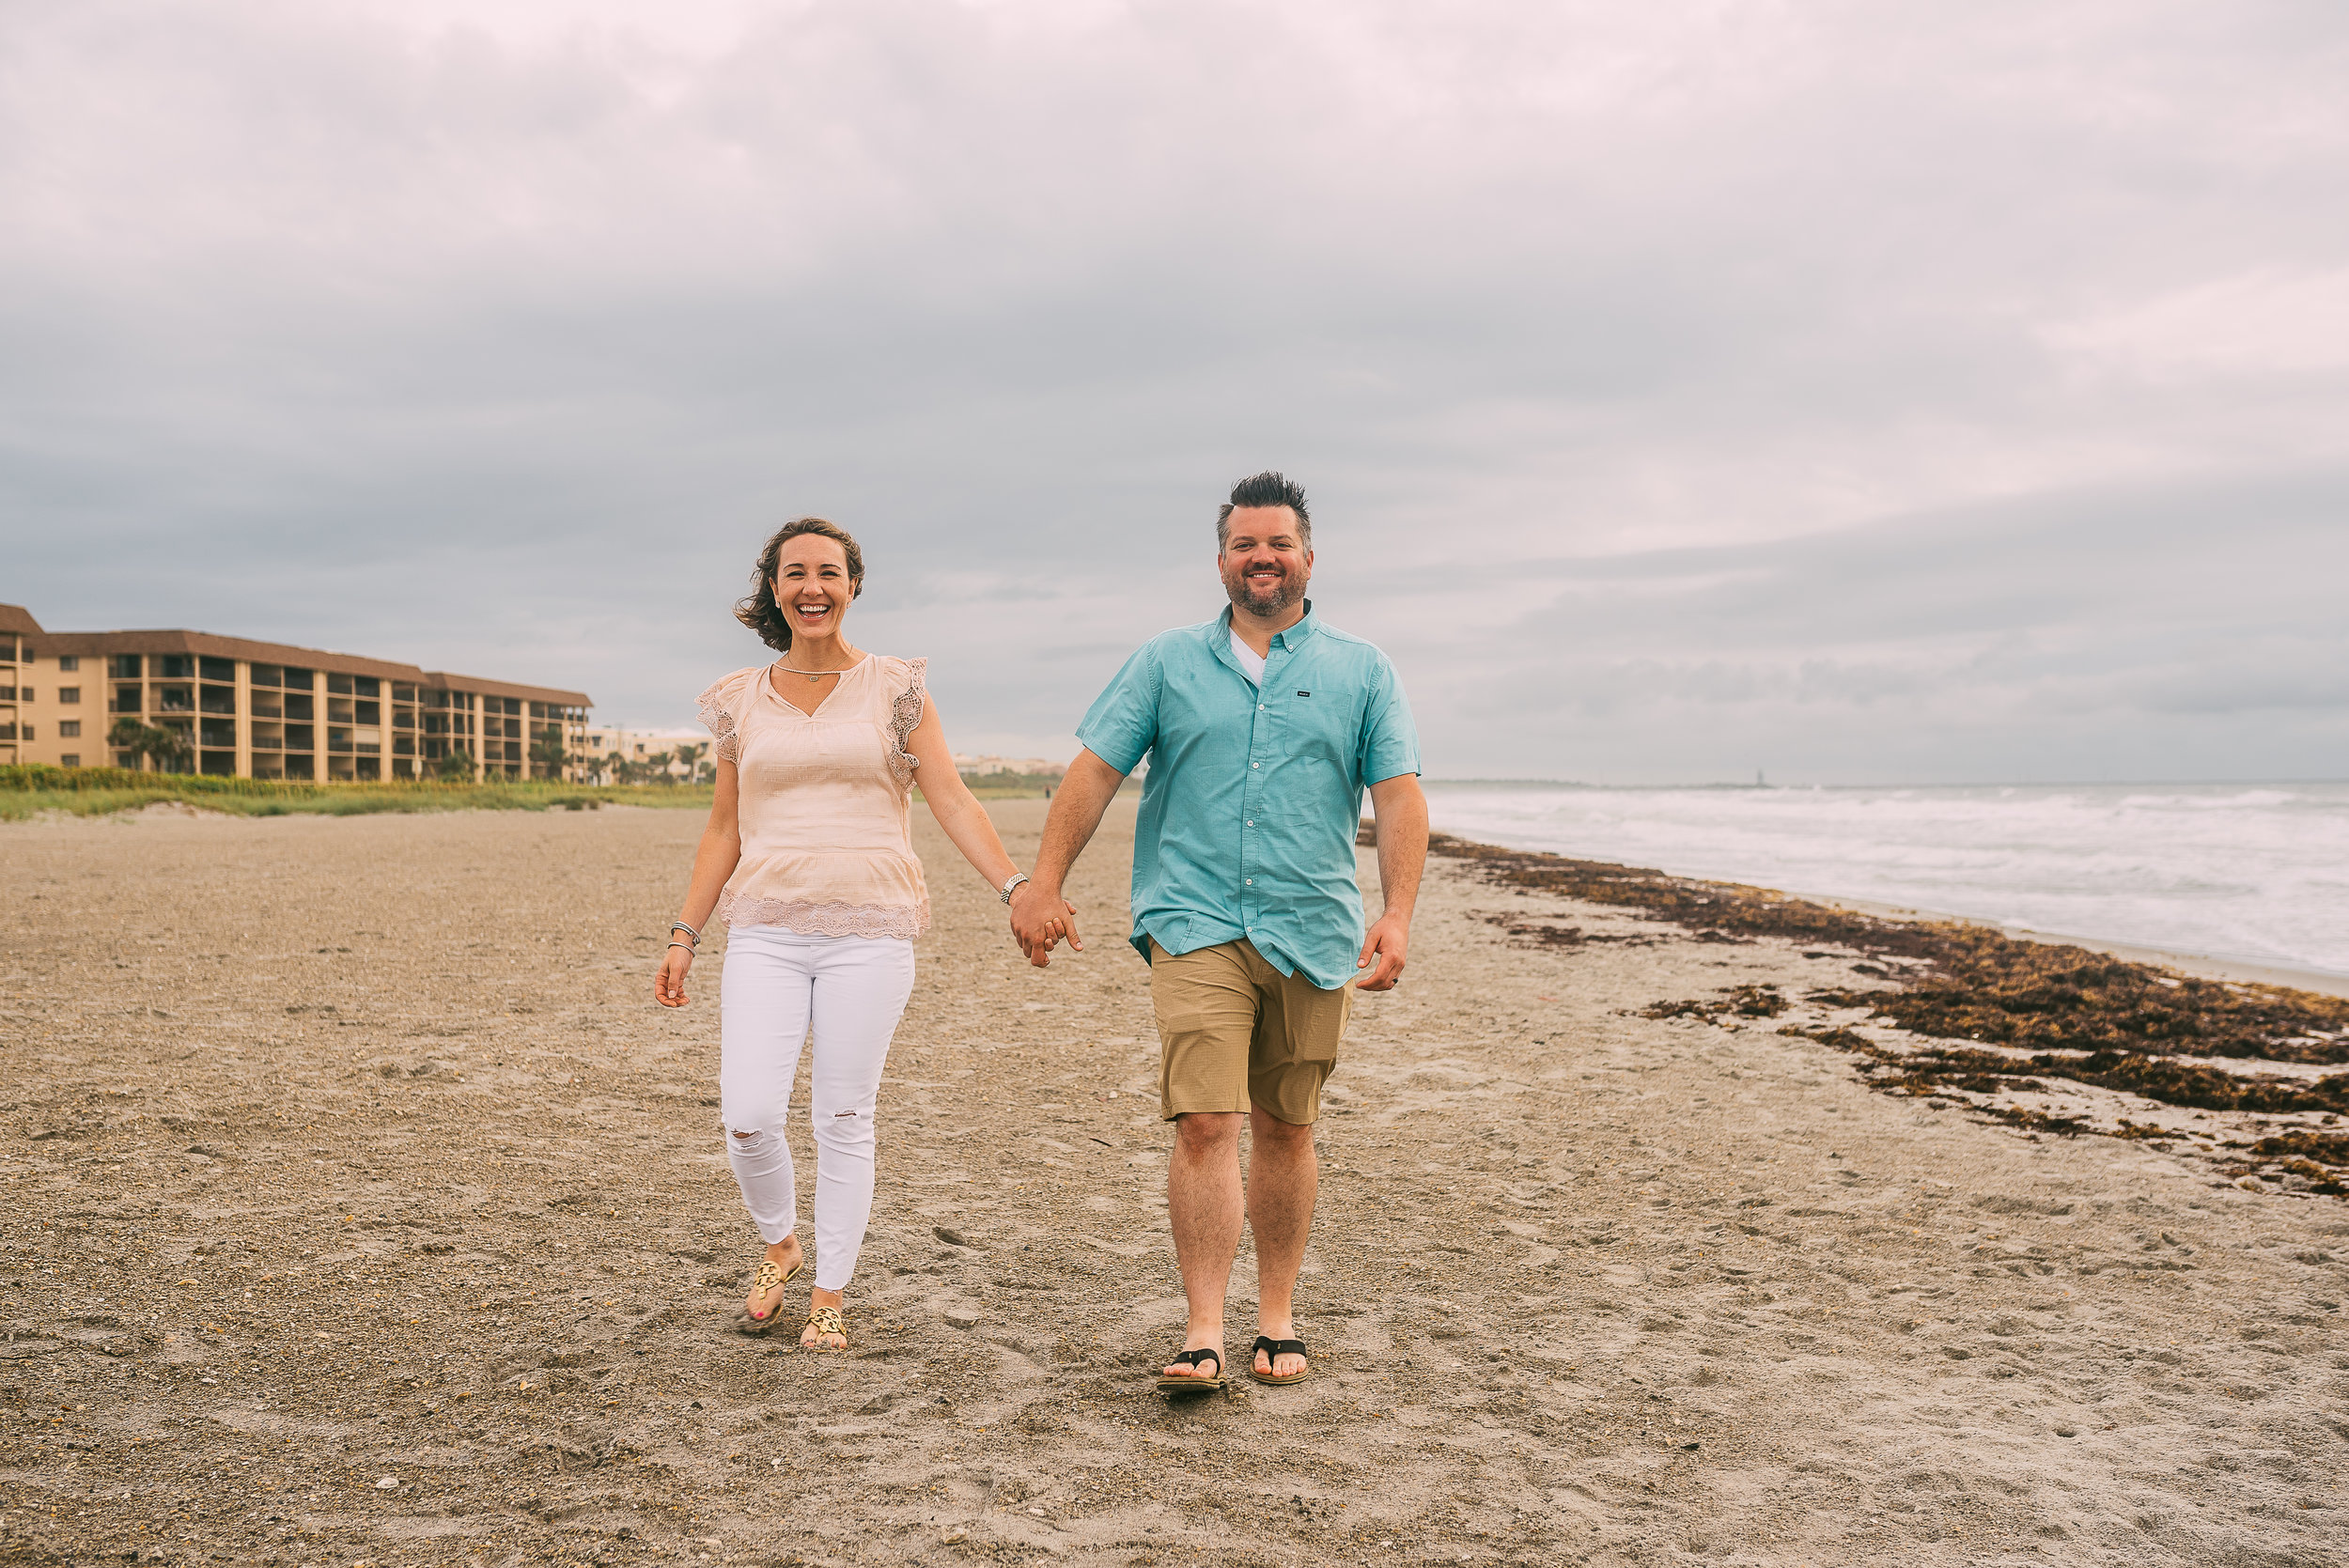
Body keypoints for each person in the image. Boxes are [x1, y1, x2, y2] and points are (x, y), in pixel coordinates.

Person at [1009, 471, 1427, 1392]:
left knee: (1285, 1124)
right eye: (1244, 544)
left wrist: (1395, 912)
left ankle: (1273, 1314)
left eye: (1277, 543)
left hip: (1312, 927)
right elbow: (1092, 774)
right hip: (1192, 919)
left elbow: (1398, 798)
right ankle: (1203, 1327)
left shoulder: (1362, 669)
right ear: (1222, 560)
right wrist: (1043, 882)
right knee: (1204, 1119)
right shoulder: (1165, 661)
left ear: (1307, 558)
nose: (1261, 557)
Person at [656, 517, 1043, 1352]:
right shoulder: (737, 701)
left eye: (828, 572)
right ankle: (780, 1241)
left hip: (871, 928)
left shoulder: (896, 688)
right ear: (774, 590)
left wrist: (1015, 886)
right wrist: (686, 932)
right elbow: (724, 828)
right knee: (751, 1114)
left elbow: (951, 798)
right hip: (764, 925)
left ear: (853, 585)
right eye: (794, 573)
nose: (812, 587)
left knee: (841, 1111)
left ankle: (830, 1292)